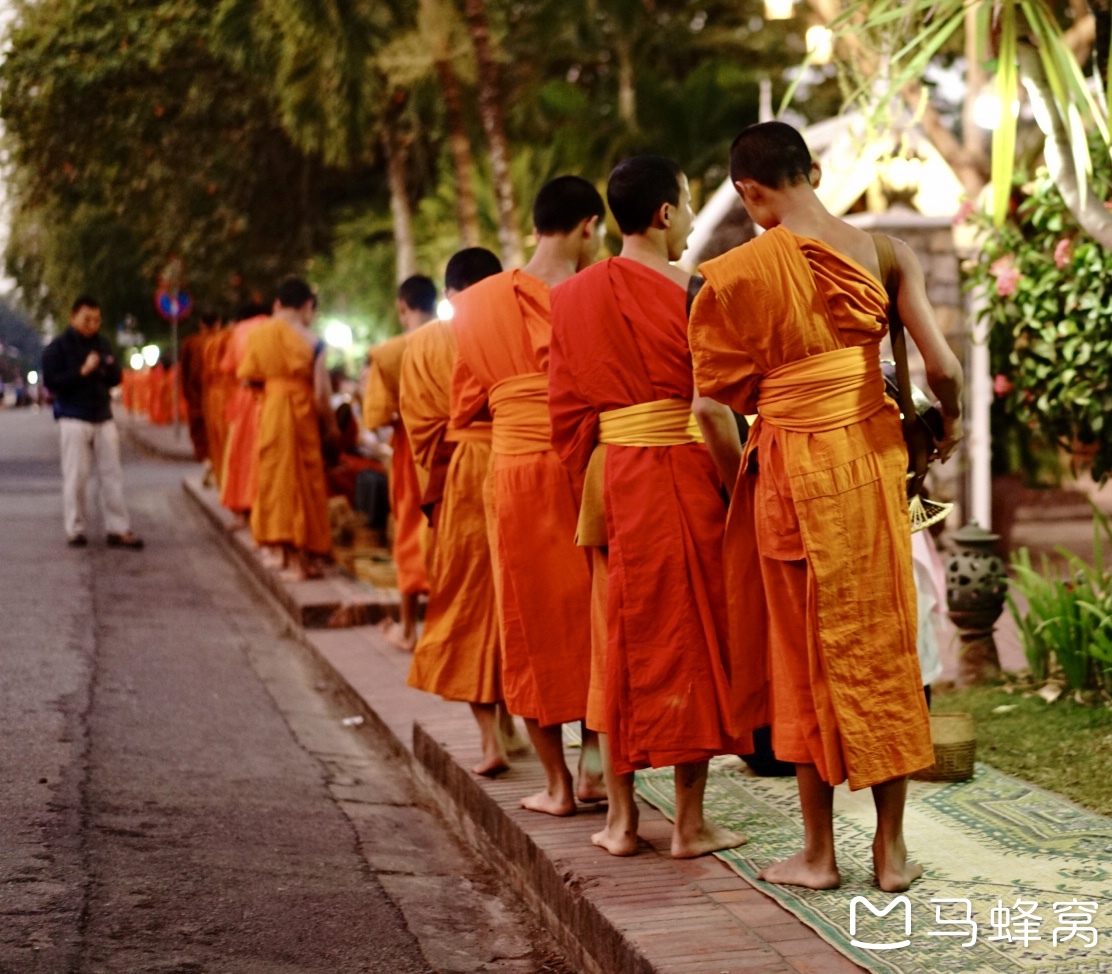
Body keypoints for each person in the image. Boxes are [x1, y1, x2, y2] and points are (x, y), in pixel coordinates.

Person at [688, 121, 964, 892]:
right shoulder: (884, 253)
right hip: (871, 468)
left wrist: (735, 473)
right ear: (813, 169)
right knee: (882, 647)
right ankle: (892, 851)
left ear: (749, 192)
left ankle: (817, 855)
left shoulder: (736, 273)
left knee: (801, 659)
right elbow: (941, 369)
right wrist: (952, 426)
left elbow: (711, 408)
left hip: (786, 474)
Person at [548, 156, 750, 857]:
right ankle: (689, 826)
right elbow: (715, 405)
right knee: (691, 640)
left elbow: (565, 417)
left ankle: (622, 822)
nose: (692, 220)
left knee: (617, 645)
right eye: (690, 206)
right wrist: (737, 488)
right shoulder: (697, 291)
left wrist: (592, 479)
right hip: (684, 477)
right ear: (665, 214)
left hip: (613, 481)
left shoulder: (570, 298)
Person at [450, 176, 605, 816]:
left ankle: (557, 788)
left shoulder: (478, 304)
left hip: (513, 473)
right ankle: (595, 766)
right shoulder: (593, 293)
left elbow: (465, 405)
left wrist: (518, 409)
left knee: (528, 621)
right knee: (596, 613)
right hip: (582, 465)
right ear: (589, 226)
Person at [399, 247, 520, 776]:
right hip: (517, 462)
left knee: (468, 601)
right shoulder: (514, 322)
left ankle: (491, 737)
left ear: (448, 292)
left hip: (462, 475)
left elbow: (420, 429)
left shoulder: (423, 343)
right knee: (517, 597)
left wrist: (439, 473)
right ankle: (524, 724)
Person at [238, 278, 337, 579]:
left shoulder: (258, 335)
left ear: (278, 303)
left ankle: (285, 555)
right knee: (305, 484)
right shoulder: (313, 340)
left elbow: (246, 379)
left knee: (277, 482)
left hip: (273, 412)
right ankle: (303, 559)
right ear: (307, 305)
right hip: (303, 413)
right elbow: (322, 393)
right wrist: (330, 426)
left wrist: (272, 387)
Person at [363, 275, 437, 650]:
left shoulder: (390, 353)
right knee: (447, 534)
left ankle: (409, 630)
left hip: (411, 451)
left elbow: (375, 416)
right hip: (451, 449)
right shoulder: (455, 339)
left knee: (410, 530)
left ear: (402, 307)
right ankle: (447, 631)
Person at [41, 295, 144, 549]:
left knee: (112, 475)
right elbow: (52, 383)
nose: (92, 325)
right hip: (73, 416)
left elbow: (115, 377)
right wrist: (82, 371)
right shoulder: (58, 347)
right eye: (87, 319)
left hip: (102, 415)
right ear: (73, 317)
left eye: (96, 320)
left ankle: (118, 528)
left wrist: (106, 369)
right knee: (77, 475)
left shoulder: (102, 344)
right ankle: (75, 529)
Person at [219, 305, 270, 525]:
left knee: (240, 453)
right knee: (262, 454)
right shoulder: (274, 327)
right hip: (270, 397)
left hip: (244, 397)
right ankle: (262, 510)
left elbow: (227, 366)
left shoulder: (238, 331)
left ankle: (241, 509)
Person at [179, 311, 218, 463]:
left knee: (200, 431)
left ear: (200, 324)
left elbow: (185, 372)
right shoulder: (223, 339)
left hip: (197, 396)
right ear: (218, 322)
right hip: (220, 394)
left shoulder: (191, 343)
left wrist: (188, 394)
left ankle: (206, 462)